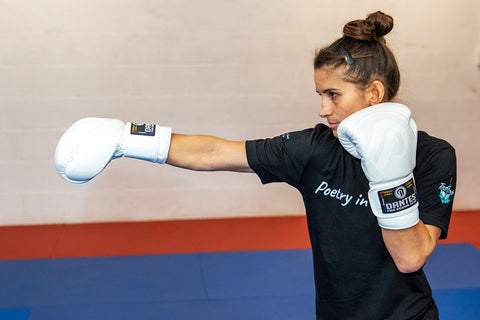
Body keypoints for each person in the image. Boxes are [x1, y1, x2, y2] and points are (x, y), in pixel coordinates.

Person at [55, 11, 457, 320]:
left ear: (374, 93)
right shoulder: (315, 149)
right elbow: (216, 152)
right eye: (319, 95)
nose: (322, 109)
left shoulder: (434, 157)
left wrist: (390, 174)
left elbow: (410, 256)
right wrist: (127, 136)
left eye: (333, 95)